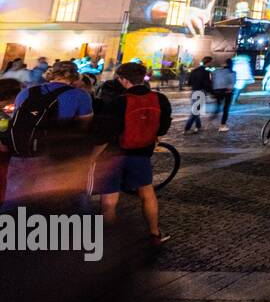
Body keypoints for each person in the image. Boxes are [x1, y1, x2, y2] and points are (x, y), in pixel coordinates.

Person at [93, 62, 172, 245]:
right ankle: (154, 233)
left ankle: (109, 240)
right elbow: (163, 128)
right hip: (141, 154)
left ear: (123, 79)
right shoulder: (160, 99)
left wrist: (92, 157)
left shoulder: (118, 102)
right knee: (147, 193)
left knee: (109, 198)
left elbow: (105, 133)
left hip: (113, 155)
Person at [2, 60, 94, 207]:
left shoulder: (26, 92)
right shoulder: (80, 95)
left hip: (22, 151)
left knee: (14, 199)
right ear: (75, 76)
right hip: (55, 155)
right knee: (53, 203)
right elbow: (85, 125)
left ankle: (9, 227)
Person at [211, 59, 235, 131]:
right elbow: (232, 83)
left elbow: (213, 80)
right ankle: (223, 125)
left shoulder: (217, 71)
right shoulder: (231, 72)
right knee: (226, 109)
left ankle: (213, 117)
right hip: (227, 92)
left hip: (217, 91)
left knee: (218, 106)